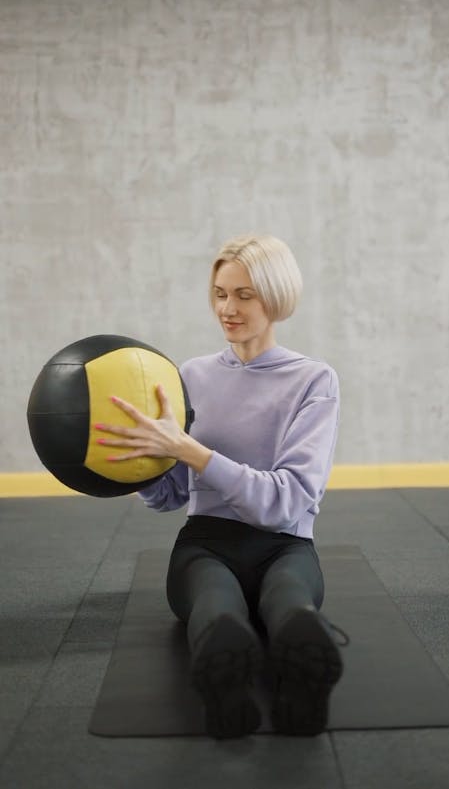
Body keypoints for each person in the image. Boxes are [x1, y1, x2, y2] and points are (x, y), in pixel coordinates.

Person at [96, 233, 347, 739]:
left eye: (244, 295)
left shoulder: (314, 381)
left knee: (290, 606)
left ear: (275, 298)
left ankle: (304, 681)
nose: (227, 309)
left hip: (286, 545)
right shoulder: (190, 375)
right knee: (216, 610)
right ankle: (226, 690)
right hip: (206, 544)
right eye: (220, 293)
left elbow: (287, 502)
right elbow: (171, 497)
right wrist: (141, 462)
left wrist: (191, 451)